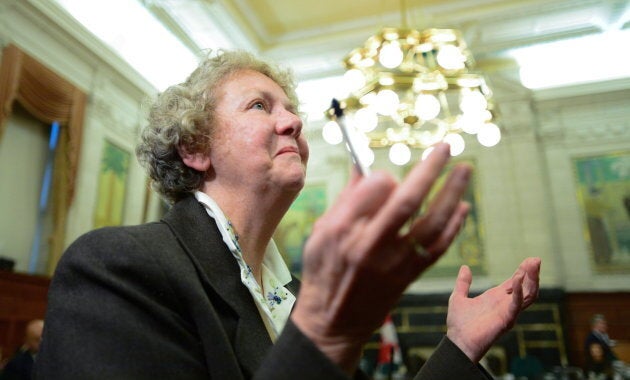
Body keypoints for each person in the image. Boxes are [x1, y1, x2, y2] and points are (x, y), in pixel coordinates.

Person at [34, 50, 541, 379]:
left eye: (290, 109)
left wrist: (459, 345)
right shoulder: (118, 267)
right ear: (194, 147)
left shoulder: (298, 296)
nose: (294, 121)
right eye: (260, 106)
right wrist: (322, 332)